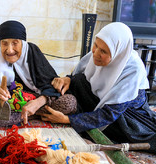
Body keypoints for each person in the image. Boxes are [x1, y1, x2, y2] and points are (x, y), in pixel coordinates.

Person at [40, 22, 156, 153]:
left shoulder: (132, 69)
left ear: (117, 53)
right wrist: (68, 79)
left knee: (120, 131)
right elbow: (80, 76)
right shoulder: (95, 54)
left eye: (104, 51)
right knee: (77, 81)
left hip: (124, 114)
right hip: (102, 101)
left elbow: (109, 114)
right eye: (95, 45)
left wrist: (67, 120)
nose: (95, 53)